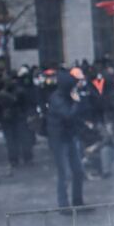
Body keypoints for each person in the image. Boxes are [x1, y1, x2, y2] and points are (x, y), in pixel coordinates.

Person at [44, 69, 87, 211]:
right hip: (59, 139)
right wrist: (76, 102)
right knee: (64, 173)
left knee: (78, 171)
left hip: (69, 136)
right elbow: (68, 115)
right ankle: (63, 204)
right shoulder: (57, 98)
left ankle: (78, 202)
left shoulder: (66, 96)